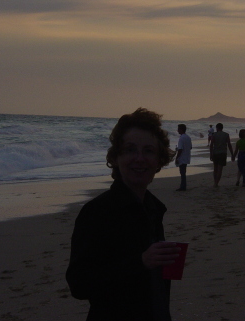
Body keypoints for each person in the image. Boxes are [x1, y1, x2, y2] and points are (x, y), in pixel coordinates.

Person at [66, 108, 181, 321]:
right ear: (116, 157)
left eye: (148, 151)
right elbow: (79, 285)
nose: (139, 158)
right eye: (130, 150)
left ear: (158, 160)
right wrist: (141, 262)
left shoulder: (154, 208)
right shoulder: (97, 212)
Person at [210, 123, 234, 187]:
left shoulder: (214, 135)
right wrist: (232, 154)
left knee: (215, 169)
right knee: (220, 169)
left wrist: (211, 154)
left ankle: (215, 182)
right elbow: (229, 145)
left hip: (215, 153)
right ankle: (216, 183)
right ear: (222, 128)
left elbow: (211, 145)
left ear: (217, 128)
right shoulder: (226, 135)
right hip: (223, 153)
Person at [175, 124, 192, 191]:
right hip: (187, 156)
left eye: (178, 129)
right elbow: (190, 147)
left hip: (182, 157)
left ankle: (183, 186)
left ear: (181, 129)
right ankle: (183, 185)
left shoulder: (181, 138)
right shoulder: (188, 137)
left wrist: (177, 157)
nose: (177, 130)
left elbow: (180, 149)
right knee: (183, 171)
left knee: (182, 172)